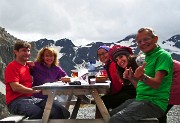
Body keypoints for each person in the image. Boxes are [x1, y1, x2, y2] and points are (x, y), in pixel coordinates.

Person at [108, 27, 173, 123]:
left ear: (155, 39)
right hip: (141, 100)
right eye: (139, 41)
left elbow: (156, 84)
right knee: (110, 115)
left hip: (154, 104)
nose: (142, 43)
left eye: (146, 39)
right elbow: (141, 87)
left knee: (116, 120)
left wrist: (142, 77)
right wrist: (132, 78)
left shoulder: (163, 56)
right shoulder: (147, 57)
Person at [5, 41, 70, 119]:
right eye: (23, 51)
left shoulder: (27, 66)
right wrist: (34, 91)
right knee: (38, 113)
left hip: (31, 99)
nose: (27, 53)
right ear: (16, 52)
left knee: (58, 111)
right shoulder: (12, 66)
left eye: (28, 51)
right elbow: (15, 87)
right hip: (15, 101)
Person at [95, 46, 136, 118]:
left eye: (104, 53)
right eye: (99, 55)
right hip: (132, 93)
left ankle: (102, 120)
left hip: (132, 95)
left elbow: (118, 85)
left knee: (102, 101)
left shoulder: (112, 65)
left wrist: (110, 93)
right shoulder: (111, 65)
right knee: (104, 99)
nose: (102, 56)